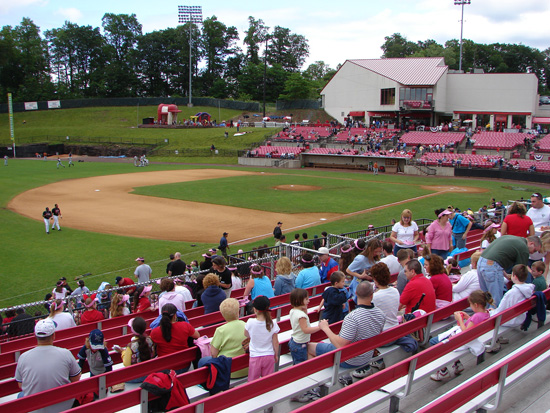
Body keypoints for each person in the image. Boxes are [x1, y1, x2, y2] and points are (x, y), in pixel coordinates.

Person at [312, 281, 385, 385]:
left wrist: (325, 328)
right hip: (366, 355)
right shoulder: (380, 314)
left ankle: (314, 385)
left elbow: (340, 345)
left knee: (308, 347)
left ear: (356, 293)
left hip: (349, 360)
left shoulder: (352, 317)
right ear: (371, 295)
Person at [15, 319, 81, 412]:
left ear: (35, 336)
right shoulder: (65, 353)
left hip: (35, 408)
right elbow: (76, 379)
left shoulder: (23, 357)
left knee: (21, 395)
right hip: (64, 406)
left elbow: (21, 384)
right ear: (53, 336)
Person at [430, 290, 492, 381]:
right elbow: (473, 324)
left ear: (476, 305)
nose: (470, 306)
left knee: (433, 342)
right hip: (472, 338)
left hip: (463, 340)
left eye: (470, 304)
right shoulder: (486, 313)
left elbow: (465, 332)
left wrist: (460, 319)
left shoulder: (477, 316)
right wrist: (468, 318)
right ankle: (457, 364)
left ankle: (443, 371)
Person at [370, 262, 418, 371]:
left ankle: (376, 360)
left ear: (375, 279)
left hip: (383, 338)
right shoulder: (395, 291)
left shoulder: (375, 297)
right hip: (395, 331)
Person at [477, 235, 542, 306]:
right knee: (496, 300)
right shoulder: (524, 248)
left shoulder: (512, 238)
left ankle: (486, 315)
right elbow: (521, 270)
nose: (532, 253)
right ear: (531, 243)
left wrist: (506, 275)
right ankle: (495, 316)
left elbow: (497, 259)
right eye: (534, 250)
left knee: (486, 296)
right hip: (491, 267)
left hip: (481, 262)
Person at [198, 298, 247, 378]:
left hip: (227, 370)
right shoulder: (246, 325)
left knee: (202, 361)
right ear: (238, 311)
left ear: (222, 314)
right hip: (245, 368)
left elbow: (213, 354)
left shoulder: (220, 330)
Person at [289, 289, 322, 403]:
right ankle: (297, 394)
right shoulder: (301, 315)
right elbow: (306, 329)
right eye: (306, 299)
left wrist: (305, 311)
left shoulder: (294, 311)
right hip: (299, 345)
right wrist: (320, 327)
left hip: (297, 342)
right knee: (300, 370)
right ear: (299, 300)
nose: (309, 300)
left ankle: (303, 390)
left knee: (300, 367)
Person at [150, 304, 199, 371]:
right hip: (184, 365)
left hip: (165, 367)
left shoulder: (155, 332)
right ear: (175, 315)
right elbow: (197, 335)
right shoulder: (185, 326)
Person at [244, 296, 280, 381]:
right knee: (267, 381)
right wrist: (276, 354)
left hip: (255, 356)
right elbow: (276, 343)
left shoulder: (250, 322)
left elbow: (246, 334)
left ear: (255, 309)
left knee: (252, 381)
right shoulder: (272, 323)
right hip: (269, 355)